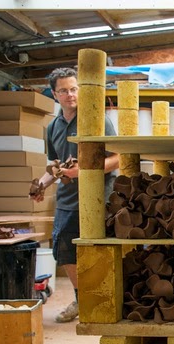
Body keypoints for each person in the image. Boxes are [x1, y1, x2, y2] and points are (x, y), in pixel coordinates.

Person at [31, 67, 119, 323]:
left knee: (101, 250)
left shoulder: (97, 119)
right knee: (65, 250)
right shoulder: (53, 127)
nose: (70, 95)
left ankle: (107, 300)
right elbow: (56, 165)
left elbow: (118, 158)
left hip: (99, 195)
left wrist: (85, 170)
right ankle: (83, 300)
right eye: (64, 91)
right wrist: (41, 185)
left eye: (73, 89)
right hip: (68, 198)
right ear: (54, 94)